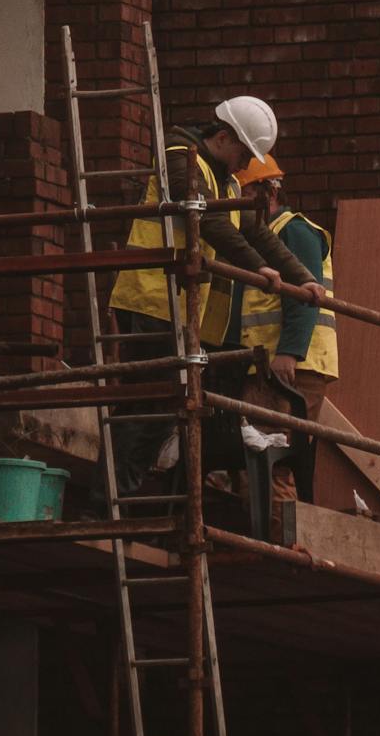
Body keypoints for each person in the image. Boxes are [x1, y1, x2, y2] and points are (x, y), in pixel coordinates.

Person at [108, 96, 321, 492]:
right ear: (223, 137)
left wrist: (302, 278)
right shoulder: (179, 156)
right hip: (152, 299)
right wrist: (257, 268)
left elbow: (255, 232)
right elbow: (204, 220)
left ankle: (126, 494)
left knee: (164, 408)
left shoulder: (225, 179)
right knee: (146, 406)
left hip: (179, 310)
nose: (246, 164)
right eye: (244, 153)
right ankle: (112, 498)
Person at [230, 158, 336, 502]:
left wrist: (289, 352)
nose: (235, 200)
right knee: (259, 462)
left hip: (290, 368)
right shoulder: (264, 238)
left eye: (241, 191)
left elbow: (306, 293)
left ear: (265, 193)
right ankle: (273, 545)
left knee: (272, 463)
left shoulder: (293, 230)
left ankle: (279, 549)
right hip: (268, 367)